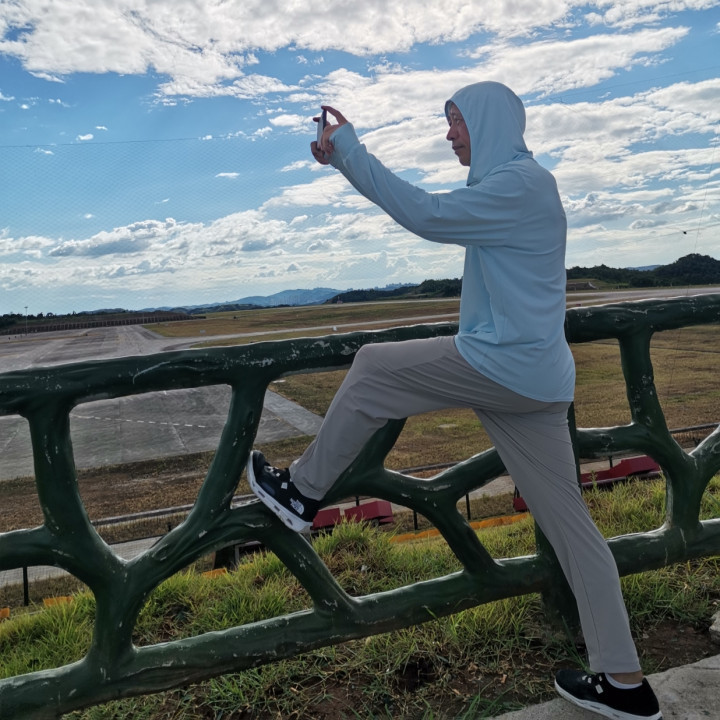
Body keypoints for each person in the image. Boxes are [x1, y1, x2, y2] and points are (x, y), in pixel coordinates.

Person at [247, 81, 662, 720]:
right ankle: (625, 682)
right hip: (537, 380)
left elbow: (426, 215)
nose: (449, 134)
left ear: (489, 122)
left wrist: (349, 150)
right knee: (573, 531)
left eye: (457, 120)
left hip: (503, 366)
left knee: (371, 368)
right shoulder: (523, 185)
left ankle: (301, 493)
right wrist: (344, 160)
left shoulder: (517, 187)